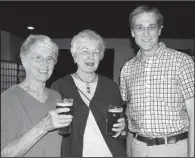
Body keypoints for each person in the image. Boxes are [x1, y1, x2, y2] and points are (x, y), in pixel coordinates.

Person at [120, 5, 194, 157]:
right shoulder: (127, 69)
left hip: (175, 149)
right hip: (137, 148)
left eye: (151, 27)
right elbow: (129, 115)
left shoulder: (182, 62)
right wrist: (129, 152)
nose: (146, 33)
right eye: (139, 27)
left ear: (159, 30)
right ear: (132, 32)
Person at [51, 29, 126, 157]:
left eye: (96, 52)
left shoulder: (111, 86)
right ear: (74, 56)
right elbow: (52, 129)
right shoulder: (59, 86)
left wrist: (123, 128)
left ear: (100, 57)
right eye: (85, 51)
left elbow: (122, 122)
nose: (90, 56)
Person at [1, 35, 73, 157]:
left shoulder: (56, 96)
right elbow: (4, 153)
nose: (45, 64)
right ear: (24, 61)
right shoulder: (9, 98)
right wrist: (43, 127)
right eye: (38, 57)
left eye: (49, 58)